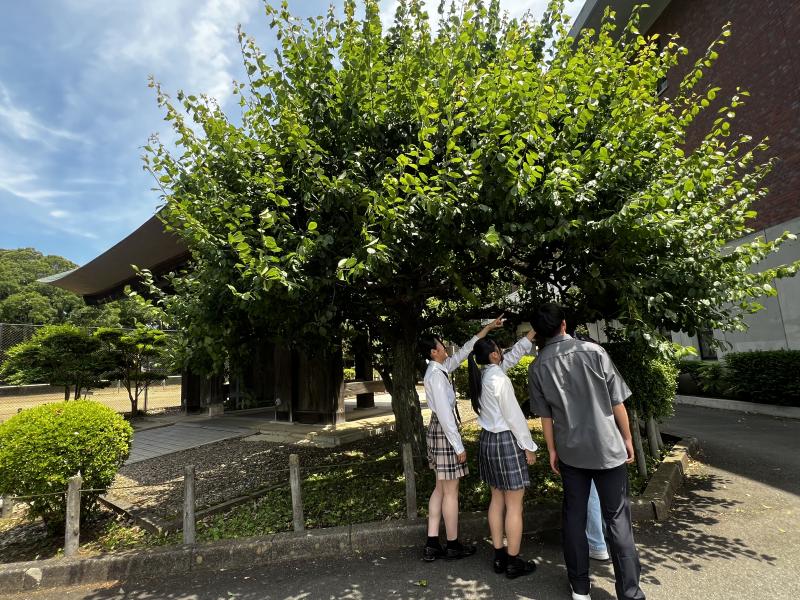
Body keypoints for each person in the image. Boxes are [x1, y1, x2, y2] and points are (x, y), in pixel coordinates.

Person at [528, 303, 645, 600]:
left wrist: (551, 449)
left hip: (570, 451)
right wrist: (627, 438)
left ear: (538, 333)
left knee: (574, 517)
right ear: (564, 324)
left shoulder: (537, 366)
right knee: (618, 519)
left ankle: (580, 588)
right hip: (607, 447)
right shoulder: (594, 352)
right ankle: (630, 592)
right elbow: (617, 402)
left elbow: (545, 417)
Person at [419, 315, 505, 562]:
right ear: (434, 352)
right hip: (444, 431)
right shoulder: (436, 375)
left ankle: (432, 543)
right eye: (441, 345)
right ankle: (452, 544)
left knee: (440, 488)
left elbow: (465, 350)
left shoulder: (440, 368)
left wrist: (486, 329)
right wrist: (458, 446)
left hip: (438, 430)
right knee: (450, 491)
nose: (445, 347)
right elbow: (446, 416)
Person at [468, 330, 538, 579]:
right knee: (514, 505)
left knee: (496, 499)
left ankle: (499, 556)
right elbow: (514, 417)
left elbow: (512, 356)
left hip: (488, 440)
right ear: (495, 355)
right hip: (506, 441)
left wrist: (529, 336)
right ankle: (513, 561)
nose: (503, 352)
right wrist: (528, 446)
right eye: (500, 349)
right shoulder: (499, 379)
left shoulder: (484, 375)